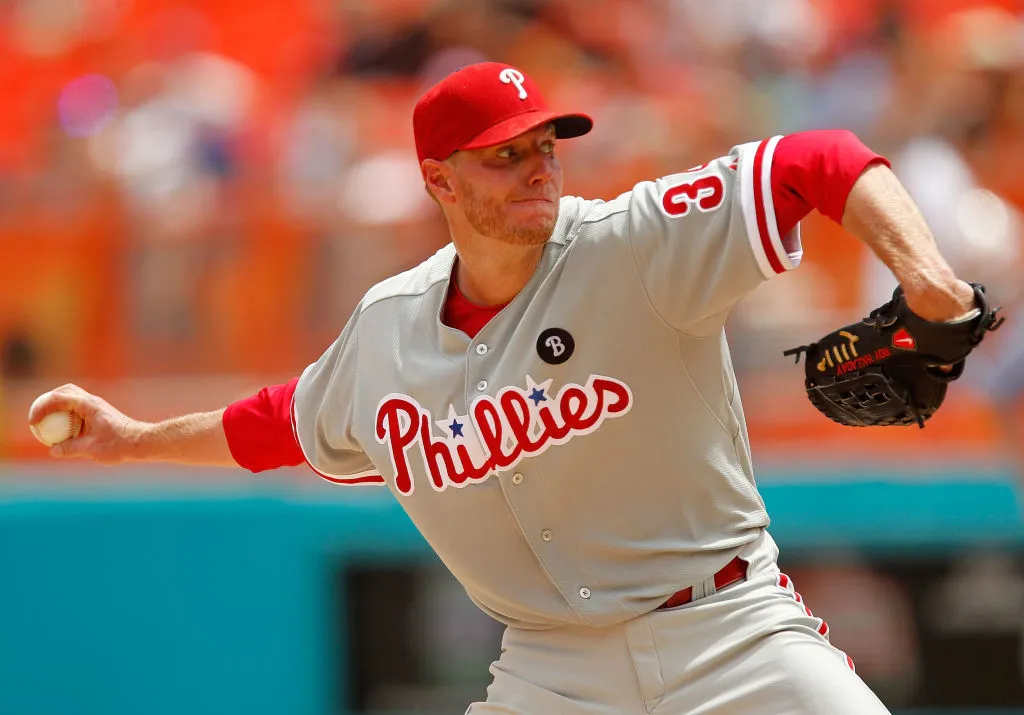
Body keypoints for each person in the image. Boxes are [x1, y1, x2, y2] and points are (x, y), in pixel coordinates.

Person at [31, 62, 980, 714]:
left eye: (545, 146)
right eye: (504, 155)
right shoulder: (389, 327)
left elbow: (818, 159)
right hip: (552, 668)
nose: (537, 168)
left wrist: (930, 283)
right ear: (440, 180)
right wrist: (135, 438)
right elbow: (281, 421)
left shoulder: (633, 242)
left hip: (729, 631)